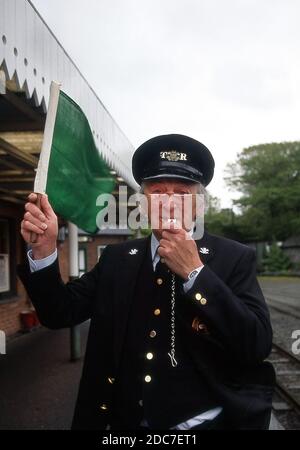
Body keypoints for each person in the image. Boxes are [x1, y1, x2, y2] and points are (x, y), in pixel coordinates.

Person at [18, 134, 275, 430]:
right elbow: (59, 312)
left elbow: (256, 344)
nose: (169, 203)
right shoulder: (117, 258)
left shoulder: (233, 258)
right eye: (158, 192)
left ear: (199, 206)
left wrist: (196, 274)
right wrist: (44, 252)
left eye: (181, 193)